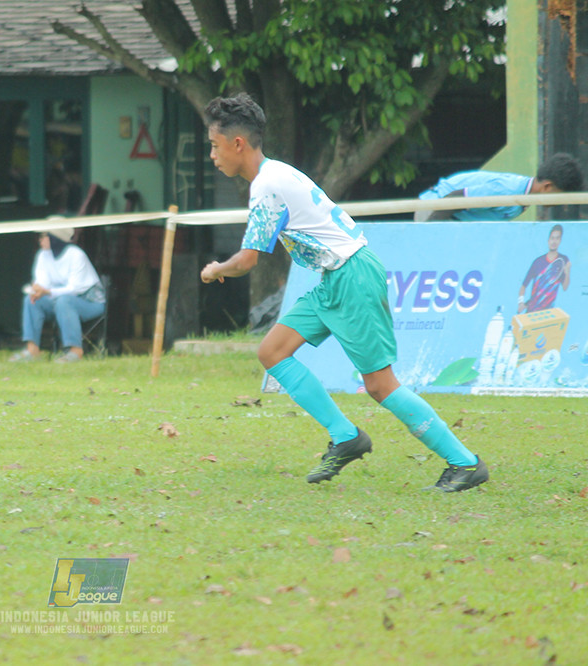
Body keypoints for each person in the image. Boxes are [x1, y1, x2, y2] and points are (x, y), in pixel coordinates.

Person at [200, 92, 488, 492]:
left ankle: (465, 463)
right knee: (272, 352)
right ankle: (346, 436)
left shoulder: (267, 186)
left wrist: (216, 269)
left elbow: (248, 260)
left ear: (237, 143)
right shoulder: (276, 173)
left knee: (380, 385)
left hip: (352, 275)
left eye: (214, 146)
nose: (212, 156)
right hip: (336, 277)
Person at [10, 227, 105, 364]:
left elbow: (75, 289)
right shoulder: (43, 255)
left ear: (55, 238)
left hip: (90, 302)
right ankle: (32, 350)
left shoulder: (76, 255)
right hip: (59, 300)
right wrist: (37, 289)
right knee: (31, 300)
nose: (40, 240)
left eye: (44, 236)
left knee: (65, 301)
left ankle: (75, 351)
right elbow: (43, 283)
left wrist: (47, 291)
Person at [415, 153, 583, 222]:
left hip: (452, 218)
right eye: (561, 197)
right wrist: (427, 231)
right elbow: (455, 198)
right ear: (547, 187)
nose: (561, 203)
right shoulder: (509, 191)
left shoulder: (523, 197)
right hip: (435, 210)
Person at [518, 224, 570, 313]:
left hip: (548, 313)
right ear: (548, 240)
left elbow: (565, 287)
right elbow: (524, 285)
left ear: (560, 241)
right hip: (532, 310)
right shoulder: (537, 262)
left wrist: (567, 272)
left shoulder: (563, 260)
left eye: (557, 238)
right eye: (552, 238)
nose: (554, 241)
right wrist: (521, 303)